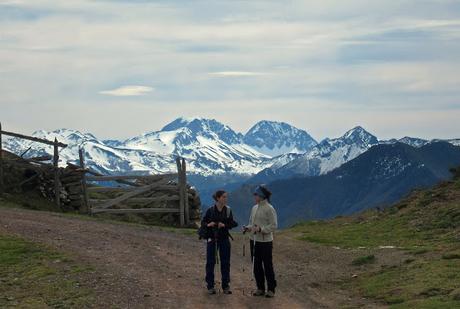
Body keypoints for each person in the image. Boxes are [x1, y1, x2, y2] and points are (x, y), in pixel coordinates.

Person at [243, 185, 278, 298]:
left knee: (267, 265)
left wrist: (261, 229)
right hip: (254, 240)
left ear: (261, 196)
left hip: (266, 242)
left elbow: (274, 225)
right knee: (256, 265)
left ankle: (271, 289)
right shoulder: (254, 208)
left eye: (256, 194)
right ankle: (260, 288)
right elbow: (251, 223)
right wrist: (248, 228)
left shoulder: (269, 208)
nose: (254, 196)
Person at [200, 190, 238, 295]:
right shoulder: (210, 210)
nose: (226, 199)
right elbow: (203, 223)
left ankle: (226, 285)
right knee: (210, 262)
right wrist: (209, 224)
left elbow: (233, 223)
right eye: (224, 197)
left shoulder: (228, 210)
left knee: (225, 262)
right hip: (212, 239)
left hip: (224, 239)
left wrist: (224, 225)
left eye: (226, 197)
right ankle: (210, 286)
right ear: (218, 198)